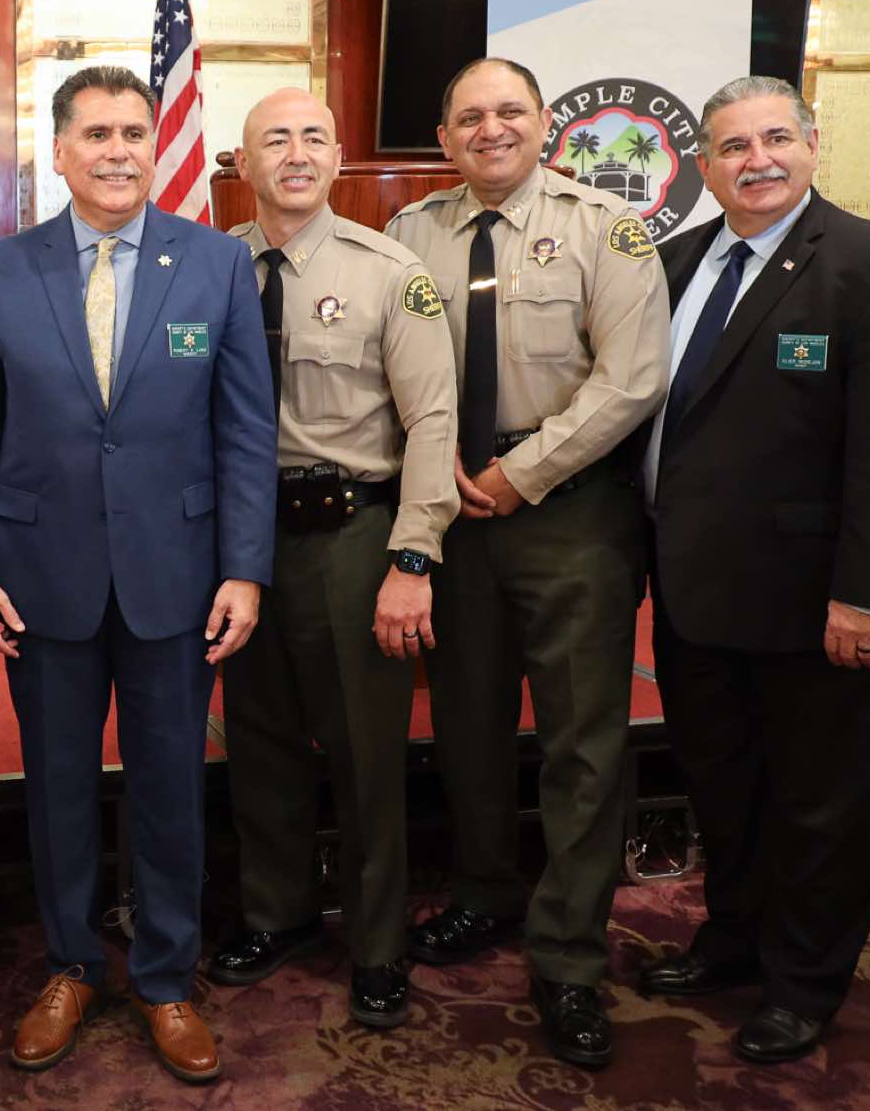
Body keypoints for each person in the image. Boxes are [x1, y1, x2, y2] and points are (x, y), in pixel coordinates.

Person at [0, 65, 276, 1085]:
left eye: (134, 132)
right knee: (57, 789)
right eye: (96, 134)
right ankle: (72, 965)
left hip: (180, 578)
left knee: (171, 787)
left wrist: (245, 568)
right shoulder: (0, 269)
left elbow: (245, 432)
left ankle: (166, 977)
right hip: (40, 579)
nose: (119, 150)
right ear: (60, 150)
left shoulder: (216, 263)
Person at [639, 75, 870, 1062]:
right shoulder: (673, 262)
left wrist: (868, 594)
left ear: (812, 146)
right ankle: (735, 937)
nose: (757, 161)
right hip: (694, 595)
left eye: (775, 138)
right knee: (724, 788)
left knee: (818, 802)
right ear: (703, 167)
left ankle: (804, 981)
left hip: (818, 604)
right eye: (733, 147)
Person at [385, 56, 669, 1068]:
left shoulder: (606, 227)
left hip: (567, 513)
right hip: (452, 512)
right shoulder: (410, 232)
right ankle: (484, 893)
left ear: (545, 123)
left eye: (510, 111)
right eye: (469, 116)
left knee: (580, 742)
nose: (490, 129)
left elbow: (632, 378)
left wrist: (521, 472)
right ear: (444, 136)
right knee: (465, 724)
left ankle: (567, 953)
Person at [207, 89, 459, 1028]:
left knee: (364, 753)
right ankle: (275, 914)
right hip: (241, 541)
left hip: (352, 535)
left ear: (339, 156)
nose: (297, 153)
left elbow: (433, 420)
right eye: (275, 138)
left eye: (315, 136)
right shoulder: (210, 268)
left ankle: (378, 942)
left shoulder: (389, 271)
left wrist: (413, 557)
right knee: (259, 738)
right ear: (243, 164)